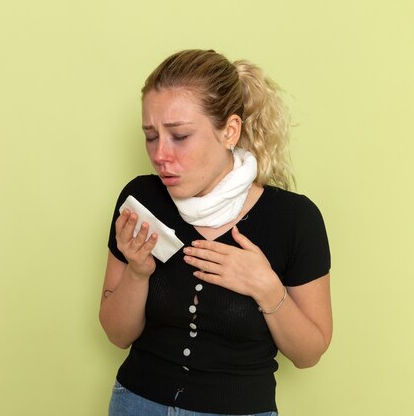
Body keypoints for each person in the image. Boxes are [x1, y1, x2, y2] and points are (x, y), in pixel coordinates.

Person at [99, 49, 332, 416]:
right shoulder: (141, 200)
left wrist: (267, 289)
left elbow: (309, 353)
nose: (160, 154)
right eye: (150, 136)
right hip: (136, 403)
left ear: (230, 131)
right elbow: (117, 334)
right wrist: (137, 272)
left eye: (179, 136)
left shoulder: (294, 219)